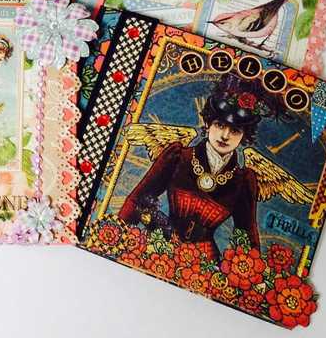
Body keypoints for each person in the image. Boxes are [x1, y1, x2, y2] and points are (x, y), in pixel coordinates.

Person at [117, 76, 280, 259]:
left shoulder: (243, 181)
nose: (225, 135)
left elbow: (247, 234)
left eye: (235, 131)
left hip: (205, 262)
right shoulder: (178, 157)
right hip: (160, 249)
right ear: (208, 124)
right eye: (220, 125)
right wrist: (116, 236)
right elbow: (137, 199)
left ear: (244, 136)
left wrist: (252, 268)